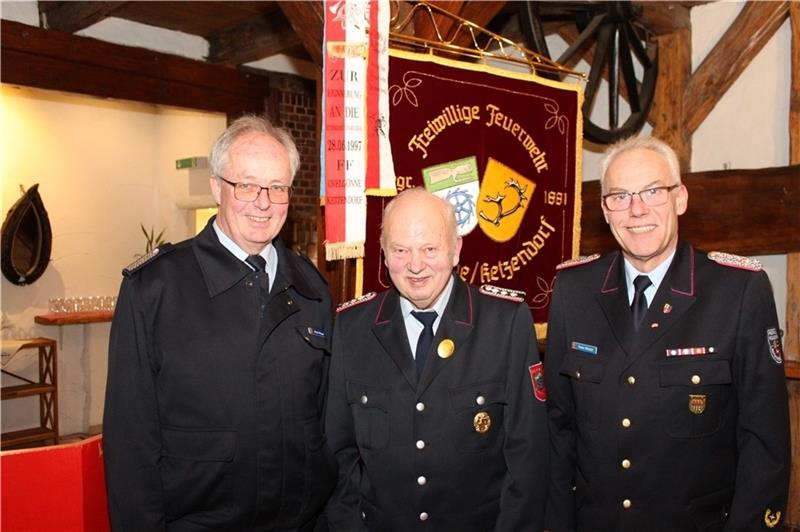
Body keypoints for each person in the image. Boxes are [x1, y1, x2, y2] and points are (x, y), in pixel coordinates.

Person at [545, 136, 790, 531]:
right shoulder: (574, 290)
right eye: (620, 196)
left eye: (653, 191)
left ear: (680, 199)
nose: (637, 209)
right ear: (605, 210)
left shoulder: (738, 291)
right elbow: (557, 431)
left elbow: (765, 443)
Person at [103, 115, 337, 531]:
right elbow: (130, 444)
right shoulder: (156, 290)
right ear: (217, 188)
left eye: (277, 187)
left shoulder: (312, 289)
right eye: (246, 185)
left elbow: (324, 425)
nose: (263, 202)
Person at [324, 187, 549, 531]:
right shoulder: (353, 328)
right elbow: (339, 456)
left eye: (430, 248)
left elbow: (527, 457)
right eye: (401, 250)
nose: (415, 265)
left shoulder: (505, 323)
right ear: (383, 254)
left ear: (456, 249)